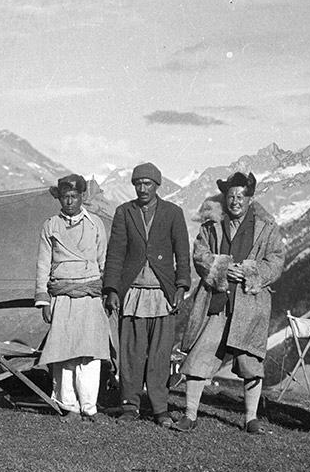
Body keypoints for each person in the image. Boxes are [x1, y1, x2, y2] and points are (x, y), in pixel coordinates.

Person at [175, 172, 285, 435]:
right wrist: (224, 268)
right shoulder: (212, 225)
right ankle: (190, 414)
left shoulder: (266, 228)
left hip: (250, 303)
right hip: (218, 300)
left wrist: (249, 271)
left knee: (250, 360)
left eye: (240, 196)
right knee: (201, 354)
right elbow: (200, 254)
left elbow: (277, 260)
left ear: (250, 198)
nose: (235, 201)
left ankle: (250, 418)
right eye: (231, 196)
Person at [102, 162, 190, 426]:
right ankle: (130, 406)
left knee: (160, 354)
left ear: (157, 186)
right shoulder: (124, 212)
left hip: (162, 293)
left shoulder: (173, 213)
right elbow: (115, 253)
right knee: (130, 353)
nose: (142, 188)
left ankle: (160, 408)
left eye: (147, 183)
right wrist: (112, 289)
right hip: (133, 293)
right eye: (138, 183)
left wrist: (181, 286)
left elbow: (182, 253)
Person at [34, 174, 111, 421]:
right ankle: (70, 407)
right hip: (62, 295)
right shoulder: (50, 225)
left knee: (89, 353)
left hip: (89, 295)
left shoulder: (95, 223)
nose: (69, 202)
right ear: (59, 198)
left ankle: (90, 407)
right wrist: (43, 298)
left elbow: (103, 261)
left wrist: (105, 292)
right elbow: (43, 264)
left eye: (74, 197)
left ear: (82, 197)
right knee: (63, 353)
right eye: (65, 197)